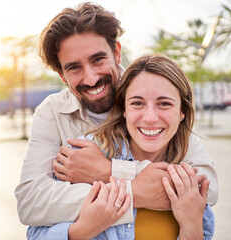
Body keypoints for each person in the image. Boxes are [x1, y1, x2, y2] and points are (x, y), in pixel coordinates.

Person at [15, 2, 218, 229]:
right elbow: (30, 202)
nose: (91, 79)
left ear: (117, 53)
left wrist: (106, 171)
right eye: (74, 68)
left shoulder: (149, 93)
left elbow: (207, 189)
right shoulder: (51, 113)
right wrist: (134, 192)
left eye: (97, 59)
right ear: (62, 75)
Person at [27, 54, 215, 239]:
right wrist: (82, 231)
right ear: (124, 109)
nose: (150, 118)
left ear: (182, 111)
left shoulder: (190, 178)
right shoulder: (81, 157)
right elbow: (35, 233)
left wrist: (192, 228)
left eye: (164, 103)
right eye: (137, 103)